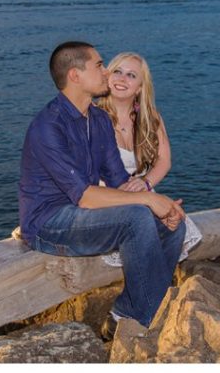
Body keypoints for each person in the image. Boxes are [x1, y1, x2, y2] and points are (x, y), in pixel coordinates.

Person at [18, 41, 186, 338]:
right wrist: (150, 199)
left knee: (173, 225)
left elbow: (119, 179)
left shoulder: (97, 119)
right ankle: (150, 321)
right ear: (75, 76)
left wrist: (162, 205)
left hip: (82, 215)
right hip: (49, 223)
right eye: (99, 65)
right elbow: (84, 195)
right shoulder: (48, 126)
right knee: (137, 218)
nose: (106, 71)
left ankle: (126, 313)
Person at [96, 52, 201, 266]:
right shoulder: (92, 116)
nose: (122, 78)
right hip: (106, 197)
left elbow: (164, 160)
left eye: (131, 75)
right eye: (117, 71)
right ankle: (150, 293)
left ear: (141, 87)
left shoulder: (150, 117)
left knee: (176, 224)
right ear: (107, 76)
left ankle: (156, 290)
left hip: (142, 192)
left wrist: (145, 182)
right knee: (145, 228)